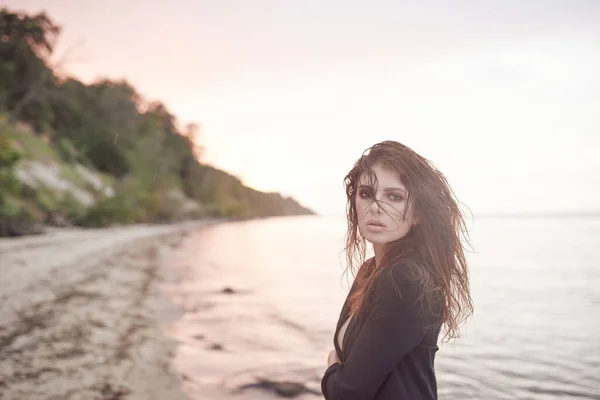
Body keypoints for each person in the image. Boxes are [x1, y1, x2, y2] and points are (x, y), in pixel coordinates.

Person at [321, 140, 473, 400]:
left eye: (395, 196)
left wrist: (332, 370)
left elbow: (347, 393)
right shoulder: (370, 270)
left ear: (418, 214)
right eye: (366, 193)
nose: (376, 207)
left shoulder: (406, 279)